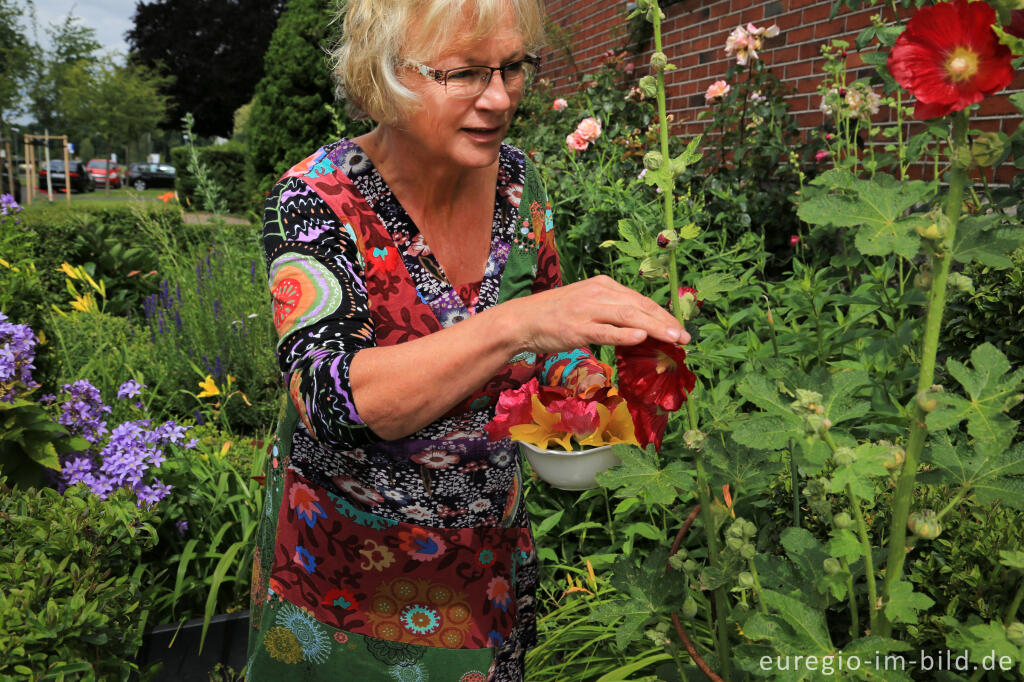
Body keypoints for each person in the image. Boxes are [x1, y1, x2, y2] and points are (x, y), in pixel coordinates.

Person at [245, 0, 688, 679]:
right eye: (464, 73)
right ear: (386, 73)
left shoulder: (516, 181)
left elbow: (548, 334)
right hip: (348, 594)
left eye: (513, 67)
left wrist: (587, 385)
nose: (499, 97)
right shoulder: (316, 199)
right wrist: (514, 327)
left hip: (489, 570)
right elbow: (331, 400)